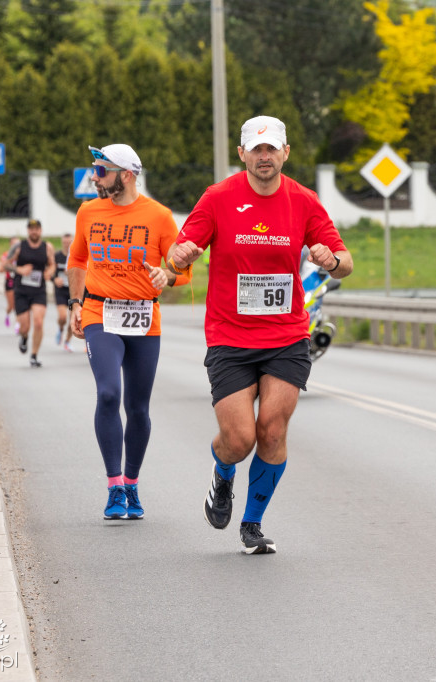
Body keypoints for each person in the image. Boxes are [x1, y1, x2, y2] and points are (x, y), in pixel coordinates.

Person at [169, 115, 353, 554]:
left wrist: (330, 259)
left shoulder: (304, 202)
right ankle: (223, 474)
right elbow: (178, 254)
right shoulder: (218, 199)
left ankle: (252, 525)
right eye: (257, 149)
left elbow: (345, 262)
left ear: (286, 153)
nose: (264, 156)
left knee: (272, 430)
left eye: (272, 149)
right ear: (242, 154)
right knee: (239, 439)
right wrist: (180, 254)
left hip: (286, 335)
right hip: (230, 337)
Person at [67, 143, 191, 520]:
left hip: (142, 317)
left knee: (137, 408)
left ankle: (132, 485)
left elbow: (183, 269)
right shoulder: (89, 211)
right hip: (99, 311)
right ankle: (113, 486)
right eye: (94, 169)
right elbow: (76, 259)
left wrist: (166, 275)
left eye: (101, 170)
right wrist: (75, 303)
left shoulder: (159, 216)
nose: (94, 176)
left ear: (126, 174)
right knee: (108, 393)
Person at [5, 219, 55, 367]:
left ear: (40, 230)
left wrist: (49, 272)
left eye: (37, 229)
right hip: (21, 291)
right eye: (31, 229)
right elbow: (6, 264)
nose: (34, 231)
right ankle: (24, 337)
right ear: (28, 231)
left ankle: (34, 355)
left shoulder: (47, 247)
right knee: (25, 326)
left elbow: (52, 265)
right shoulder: (19, 247)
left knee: (38, 323)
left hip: (39, 290)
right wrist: (20, 270)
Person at [52, 233, 73, 351]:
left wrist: (72, 273)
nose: (67, 245)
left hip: (72, 291)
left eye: (69, 243)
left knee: (72, 320)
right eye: (64, 243)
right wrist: (55, 279)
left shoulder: (75, 256)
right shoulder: (57, 256)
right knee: (62, 317)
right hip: (60, 290)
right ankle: (60, 329)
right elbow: (50, 272)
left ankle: (67, 341)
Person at [0, 237, 19, 329]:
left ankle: (18, 324)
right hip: (10, 281)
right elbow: (0, 269)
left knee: (18, 305)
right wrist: (9, 266)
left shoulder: (22, 255)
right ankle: (7, 314)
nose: (16, 246)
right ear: (10, 245)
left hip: (19, 282)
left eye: (18, 244)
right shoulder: (6, 255)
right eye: (14, 244)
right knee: (11, 306)